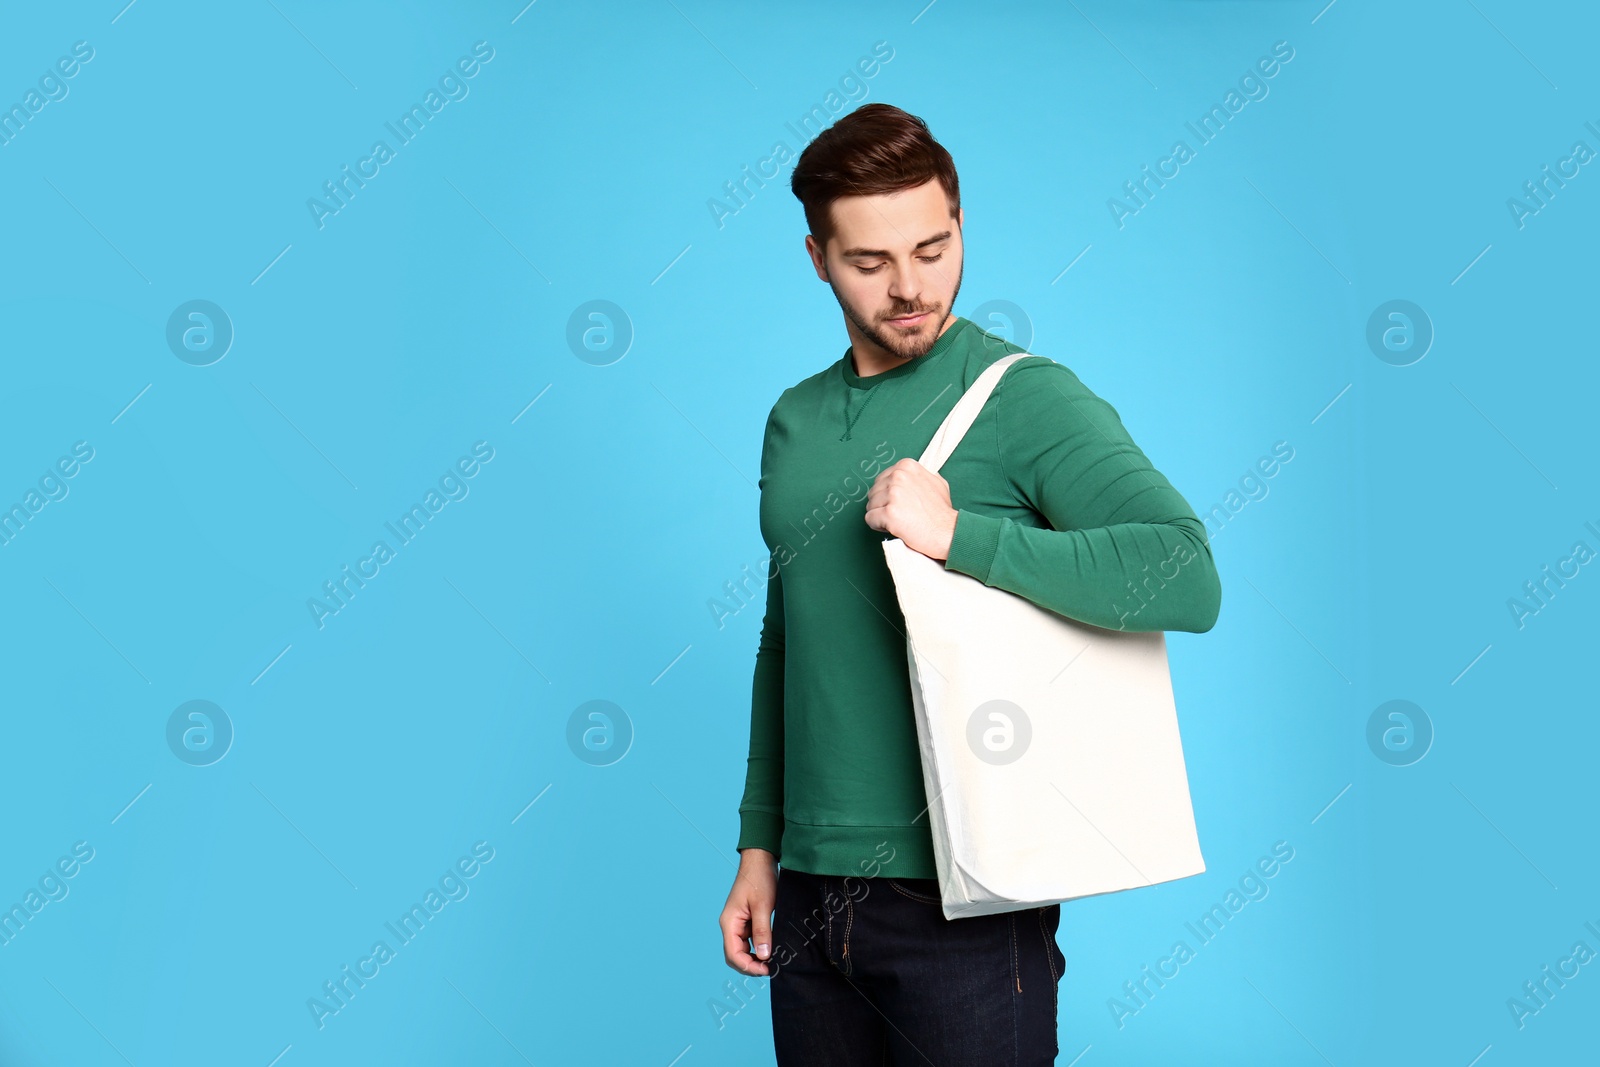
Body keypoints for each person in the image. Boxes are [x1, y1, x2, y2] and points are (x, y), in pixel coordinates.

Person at [718, 102, 1222, 1066]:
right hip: (814, 894)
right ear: (819, 257)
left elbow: (1185, 574)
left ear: (960, 228)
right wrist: (758, 850)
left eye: (934, 247)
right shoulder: (795, 419)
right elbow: (790, 635)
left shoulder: (1024, 396)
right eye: (870, 263)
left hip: (968, 895)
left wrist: (957, 534)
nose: (910, 288)